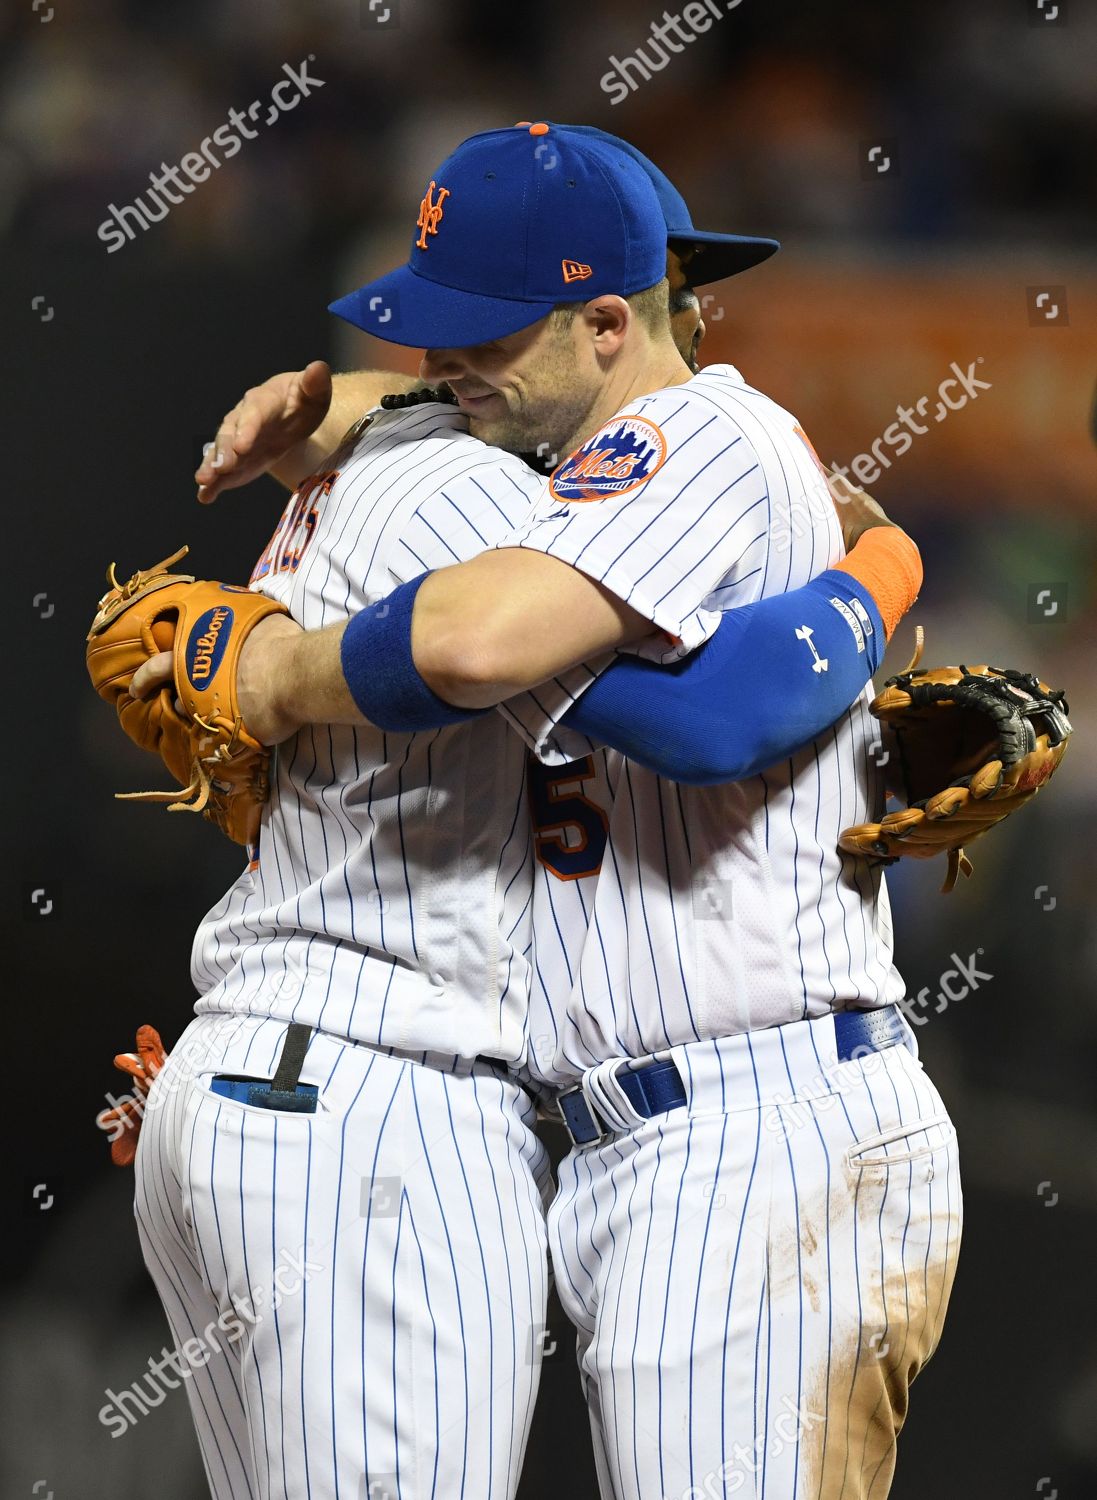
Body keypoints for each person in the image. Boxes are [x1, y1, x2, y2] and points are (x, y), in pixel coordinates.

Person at [129, 123, 945, 1500]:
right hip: (576, 1127)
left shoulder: (692, 434)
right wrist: (361, 408)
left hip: (757, 1114)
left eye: (482, 336)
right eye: (430, 339)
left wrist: (880, 576)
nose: (451, 367)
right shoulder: (512, 477)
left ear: (615, 321)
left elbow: (698, 716)